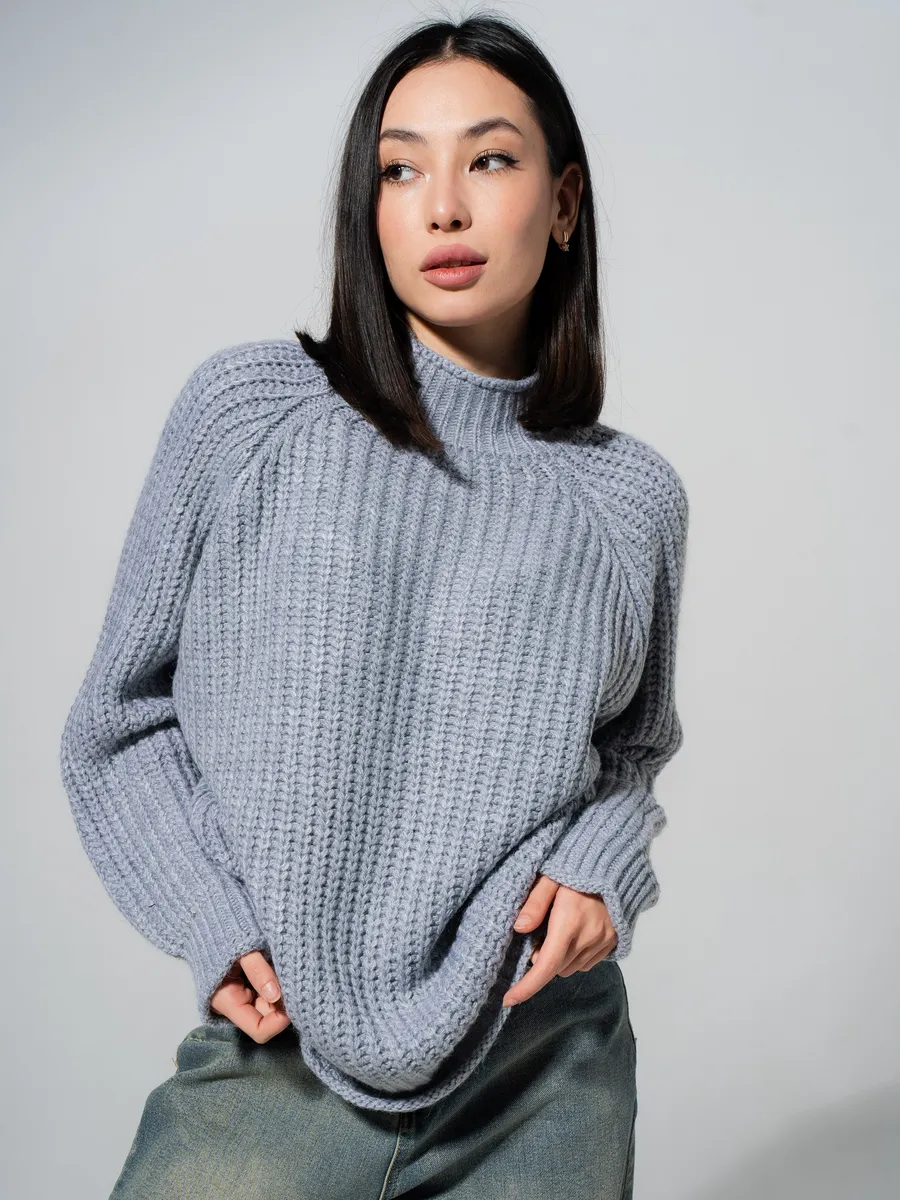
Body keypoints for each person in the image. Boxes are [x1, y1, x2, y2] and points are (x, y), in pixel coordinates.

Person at [59, 12, 689, 1199]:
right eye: (401, 170)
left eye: (489, 159)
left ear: (563, 203)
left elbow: (629, 754)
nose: (442, 207)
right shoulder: (250, 416)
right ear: (370, 205)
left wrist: (601, 866)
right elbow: (120, 719)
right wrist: (210, 917)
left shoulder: (629, 499)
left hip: (546, 1059)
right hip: (282, 1060)